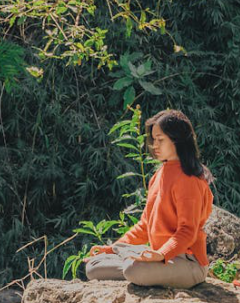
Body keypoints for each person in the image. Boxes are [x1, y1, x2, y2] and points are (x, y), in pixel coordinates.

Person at [84, 109, 214, 289]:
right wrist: (113, 247)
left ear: (177, 140)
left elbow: (187, 231)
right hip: (158, 258)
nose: (154, 145)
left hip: (189, 263)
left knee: (133, 269)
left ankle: (140, 268)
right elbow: (145, 225)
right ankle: (137, 266)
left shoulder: (189, 180)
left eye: (160, 140)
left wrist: (161, 254)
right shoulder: (159, 175)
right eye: (153, 139)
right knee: (94, 266)